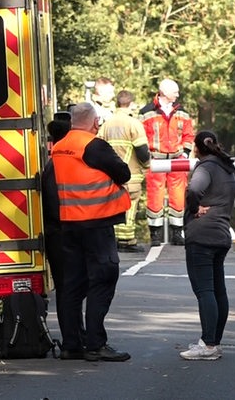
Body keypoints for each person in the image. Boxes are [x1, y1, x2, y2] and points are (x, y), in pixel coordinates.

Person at [52, 102, 132, 362]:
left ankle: (71, 345)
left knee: (73, 285)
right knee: (104, 279)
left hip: (70, 224)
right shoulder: (93, 145)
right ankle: (96, 344)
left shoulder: (60, 146)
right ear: (95, 122)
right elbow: (124, 172)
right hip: (96, 223)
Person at [179, 130, 235, 360]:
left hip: (201, 234)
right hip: (221, 234)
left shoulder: (205, 167)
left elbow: (195, 189)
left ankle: (208, 345)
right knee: (218, 290)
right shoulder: (226, 167)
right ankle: (214, 341)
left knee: (204, 291)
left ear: (196, 148)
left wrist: (193, 208)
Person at [40, 113, 82, 345]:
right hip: (62, 234)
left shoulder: (53, 162)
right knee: (69, 290)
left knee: (69, 289)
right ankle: (73, 340)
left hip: (58, 234)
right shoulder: (58, 165)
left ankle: (75, 336)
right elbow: (58, 205)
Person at [140, 78, 194, 246]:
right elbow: (141, 136)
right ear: (163, 92)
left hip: (177, 160)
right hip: (156, 160)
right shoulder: (147, 112)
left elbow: (188, 134)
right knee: (154, 196)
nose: (178, 94)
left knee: (178, 196)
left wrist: (185, 154)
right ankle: (155, 234)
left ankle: (177, 233)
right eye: (175, 92)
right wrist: (147, 157)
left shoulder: (182, 112)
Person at [98, 90, 150, 252]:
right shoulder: (133, 124)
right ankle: (127, 240)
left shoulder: (106, 125)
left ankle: (115, 239)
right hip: (131, 176)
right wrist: (147, 164)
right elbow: (142, 150)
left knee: (114, 207)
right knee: (130, 207)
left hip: (109, 177)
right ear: (131, 104)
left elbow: (98, 148)